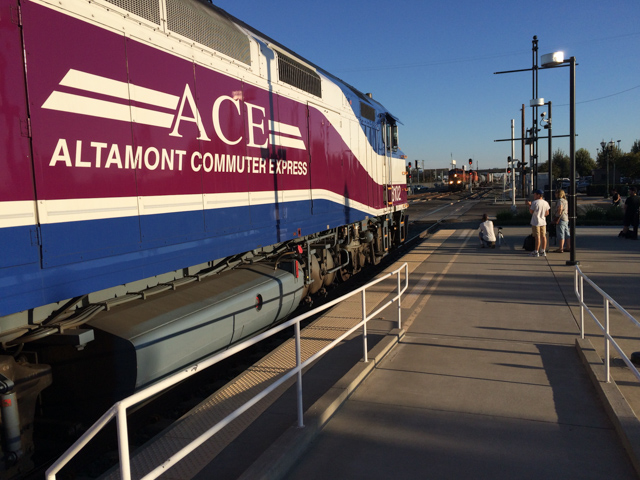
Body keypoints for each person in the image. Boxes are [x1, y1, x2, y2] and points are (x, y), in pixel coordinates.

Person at [527, 189, 550, 257]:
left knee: (537, 237)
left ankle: (536, 251)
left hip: (536, 222)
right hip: (543, 222)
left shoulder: (534, 203)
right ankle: (543, 250)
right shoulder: (545, 203)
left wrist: (529, 205)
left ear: (538, 195)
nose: (534, 196)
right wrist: (542, 215)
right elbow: (547, 213)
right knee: (543, 236)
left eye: (535, 195)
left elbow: (531, 212)